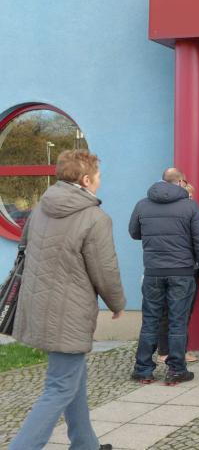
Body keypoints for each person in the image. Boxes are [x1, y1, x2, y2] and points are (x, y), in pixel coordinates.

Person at [10, 149, 125, 450]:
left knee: (73, 377)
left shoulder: (40, 209)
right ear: (86, 179)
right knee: (59, 387)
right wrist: (116, 303)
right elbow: (105, 269)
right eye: (98, 176)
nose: (100, 181)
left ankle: (85, 444)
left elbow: (24, 250)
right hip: (69, 313)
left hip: (39, 306)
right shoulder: (95, 217)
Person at [129, 168, 199, 385]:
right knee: (178, 321)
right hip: (182, 272)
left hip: (153, 271)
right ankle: (176, 370)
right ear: (180, 182)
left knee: (150, 320)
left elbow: (134, 233)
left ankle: (143, 370)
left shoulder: (142, 205)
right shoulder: (191, 206)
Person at [156, 182, 199, 364]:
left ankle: (180, 350)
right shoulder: (173, 217)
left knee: (184, 313)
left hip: (192, 269)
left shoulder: (193, 214)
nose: (190, 199)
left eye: (191, 196)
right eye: (187, 196)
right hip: (176, 269)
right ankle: (164, 351)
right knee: (168, 312)